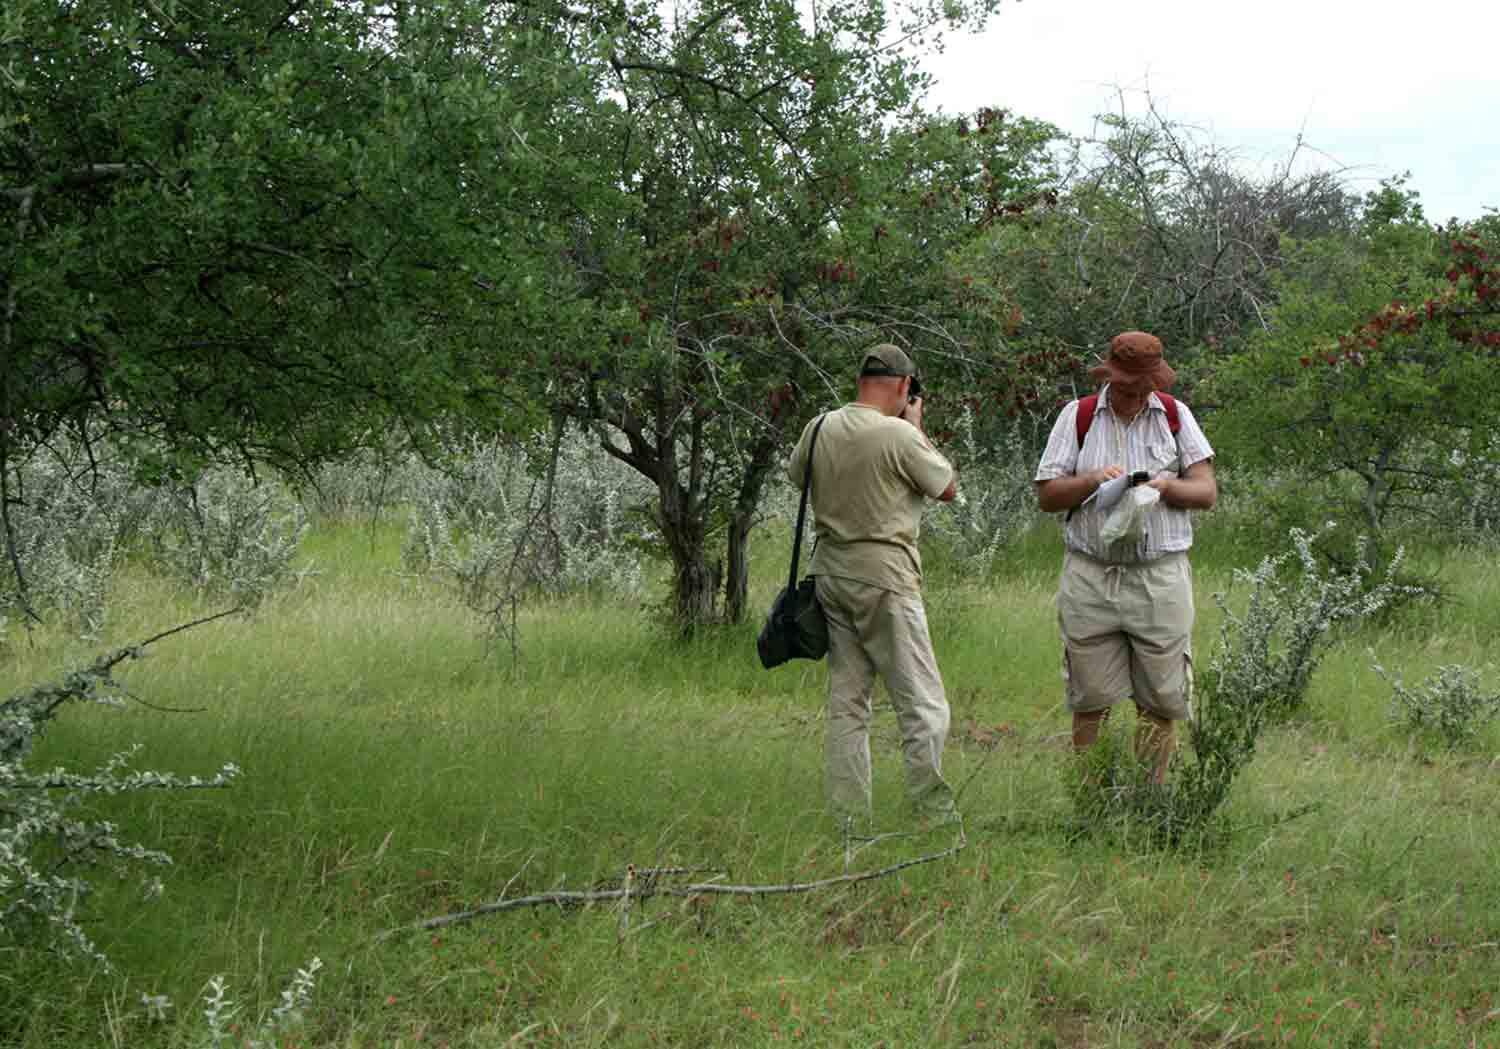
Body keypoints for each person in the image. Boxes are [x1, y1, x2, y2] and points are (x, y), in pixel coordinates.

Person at [787, 343, 959, 826]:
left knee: (848, 703)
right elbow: (946, 485)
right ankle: (934, 814)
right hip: (886, 578)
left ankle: (850, 820)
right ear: (904, 387)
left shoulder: (819, 426)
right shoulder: (899, 435)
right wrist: (915, 427)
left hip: (831, 574)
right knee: (924, 705)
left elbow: (795, 475)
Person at [1033, 331, 1217, 782]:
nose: (1133, 392)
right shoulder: (1077, 417)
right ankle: (1091, 799)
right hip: (1091, 575)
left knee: (1160, 700)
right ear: (1109, 375)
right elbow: (1047, 495)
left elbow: (1206, 490)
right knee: (1090, 701)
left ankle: (1147, 801)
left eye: (1141, 384)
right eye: (1124, 383)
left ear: (1155, 379)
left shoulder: (1175, 416)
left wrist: (1166, 485)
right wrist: (1093, 480)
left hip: (1159, 577)